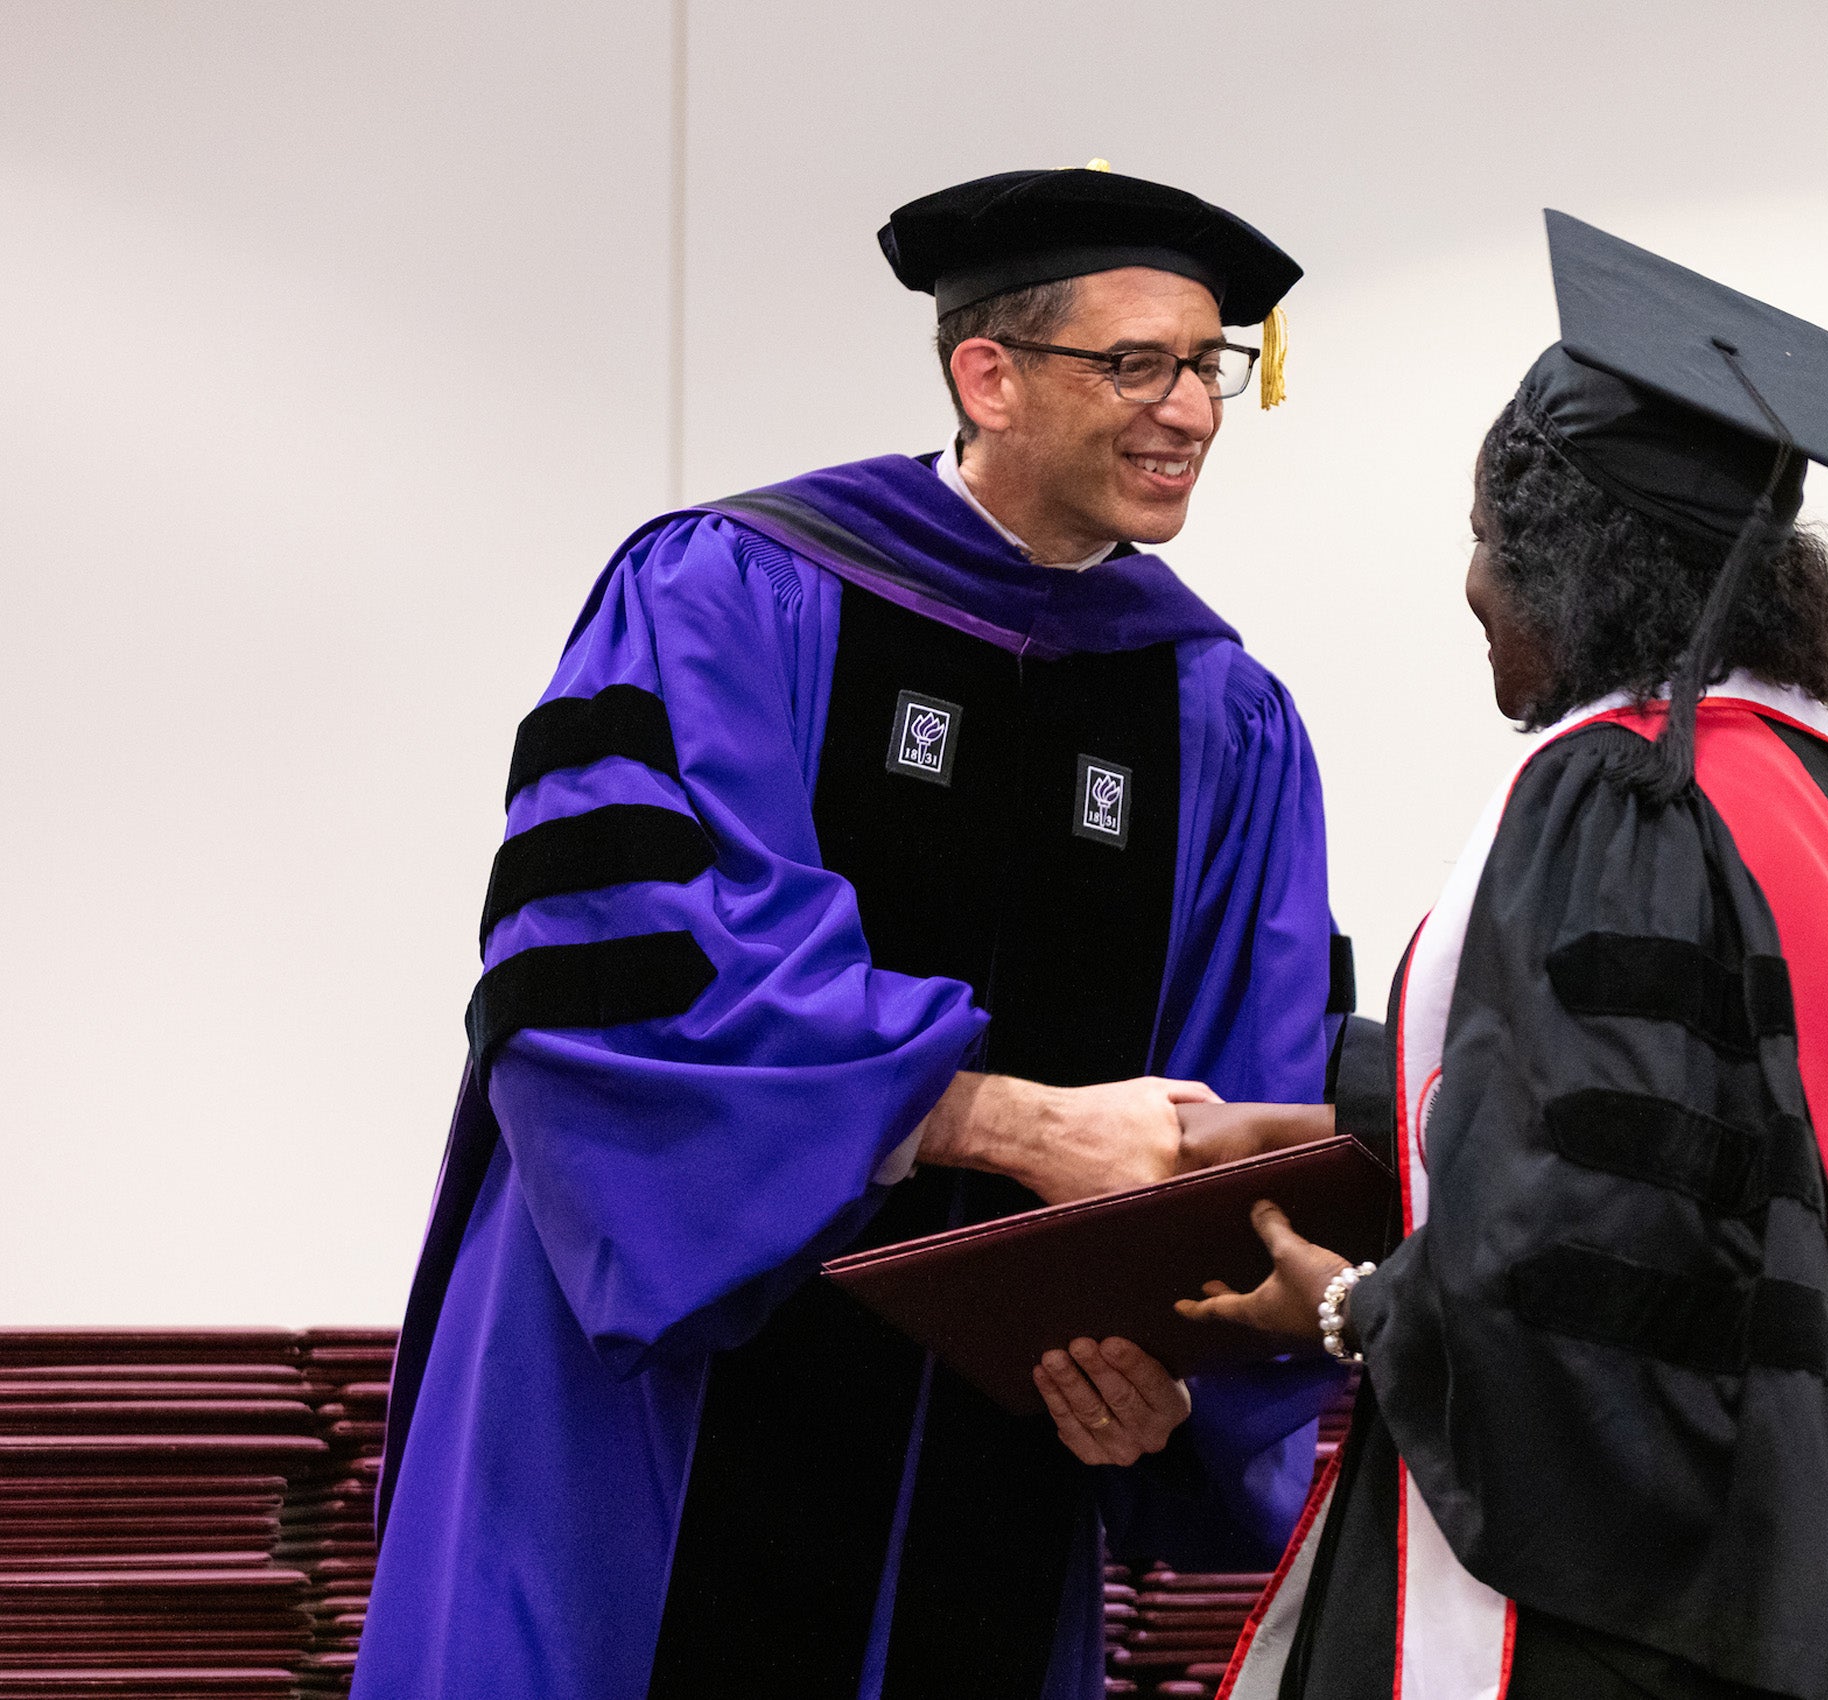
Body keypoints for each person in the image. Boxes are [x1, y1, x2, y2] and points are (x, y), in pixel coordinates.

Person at [356, 164, 1354, 1700]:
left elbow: (1245, 1070)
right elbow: (630, 969)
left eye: (1205, 366)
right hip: (671, 1411)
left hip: (999, 1430)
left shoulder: (1214, 714)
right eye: (1134, 364)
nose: (1188, 411)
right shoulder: (726, 590)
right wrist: (1006, 1121)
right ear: (988, 376)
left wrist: (1170, 1357)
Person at [1182, 212, 1828, 1700]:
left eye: (1485, 538)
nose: (1473, 586)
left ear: (1567, 562)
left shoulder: (1619, 796)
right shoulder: (1818, 794)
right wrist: (1333, 1111)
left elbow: (1594, 1252)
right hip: (1818, 1536)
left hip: (1624, 1611)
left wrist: (1352, 1309)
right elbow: (1711, 1128)